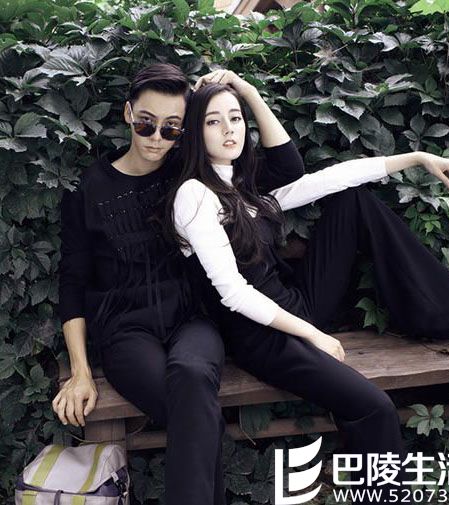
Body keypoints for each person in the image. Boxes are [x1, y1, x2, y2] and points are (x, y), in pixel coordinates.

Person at [161, 71, 449, 504]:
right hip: (263, 335)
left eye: (235, 118)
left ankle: (445, 315)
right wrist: (314, 335)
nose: (229, 129)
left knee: (351, 199)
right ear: (195, 131)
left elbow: (325, 180)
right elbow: (232, 293)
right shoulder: (194, 195)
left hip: (297, 304)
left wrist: (415, 157)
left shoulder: (242, 185)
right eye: (214, 121)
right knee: (373, 407)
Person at [52, 63, 304, 505]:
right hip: (126, 329)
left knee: (192, 377)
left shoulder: (190, 175)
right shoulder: (89, 188)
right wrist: (80, 372)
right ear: (128, 113)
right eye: (146, 123)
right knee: (193, 409)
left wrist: (242, 88)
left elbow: (286, 168)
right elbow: (73, 281)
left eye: (171, 128)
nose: (156, 138)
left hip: (193, 318)